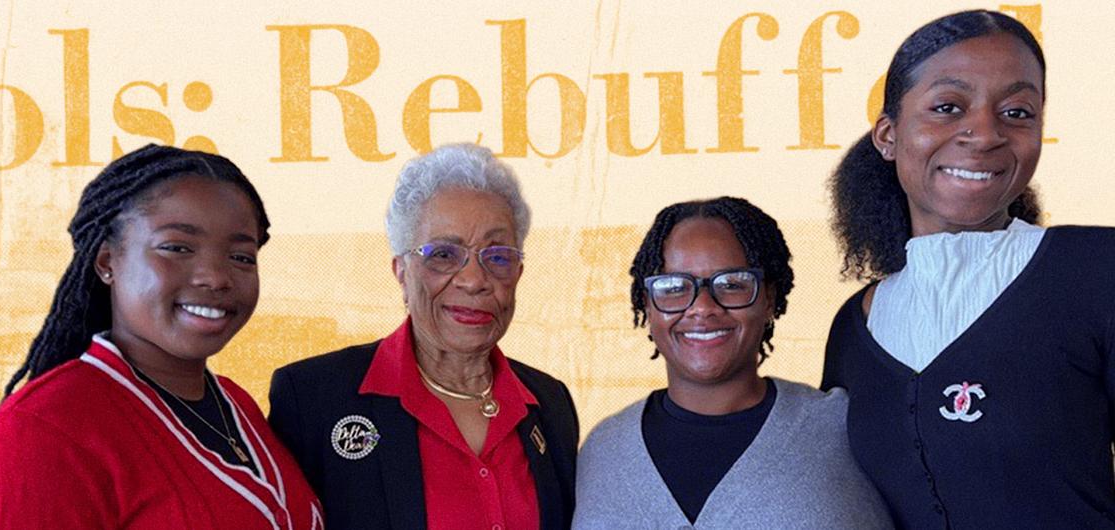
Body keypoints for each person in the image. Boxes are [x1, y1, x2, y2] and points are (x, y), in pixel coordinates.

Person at [818, 10, 1115, 527]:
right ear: (888, 135)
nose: (984, 133)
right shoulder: (854, 326)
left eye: (1018, 112)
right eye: (948, 107)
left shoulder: (1097, 272)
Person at [0, 145, 322, 529]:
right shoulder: (43, 428)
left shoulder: (237, 406)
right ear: (107, 262)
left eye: (241, 257)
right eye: (177, 248)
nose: (216, 277)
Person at [269, 143, 577, 529]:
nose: (474, 280)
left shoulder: (549, 403)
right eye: (444, 255)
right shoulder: (313, 397)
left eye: (497, 256)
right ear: (401, 271)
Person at [572, 197, 889, 528]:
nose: (703, 307)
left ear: (769, 298)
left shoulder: (842, 429)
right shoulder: (604, 451)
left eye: (732, 284)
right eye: (674, 287)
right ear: (647, 306)